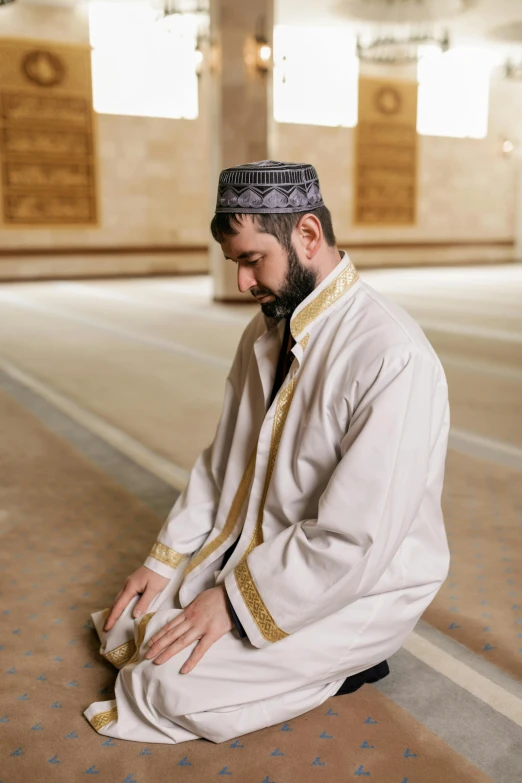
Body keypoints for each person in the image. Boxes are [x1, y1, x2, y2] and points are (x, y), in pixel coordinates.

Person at [84, 160, 450, 744]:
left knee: (162, 684)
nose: (243, 284)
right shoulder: (266, 331)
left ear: (307, 235)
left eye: (254, 260)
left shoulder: (391, 355)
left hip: (358, 581)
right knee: (131, 623)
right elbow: (223, 463)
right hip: (263, 548)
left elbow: (357, 538)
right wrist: (163, 561)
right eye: (237, 264)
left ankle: (348, 659)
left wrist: (229, 604)